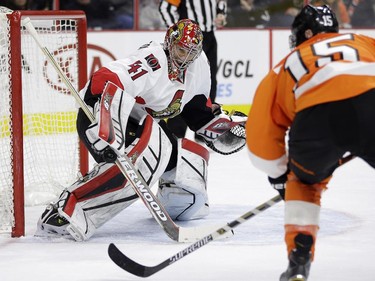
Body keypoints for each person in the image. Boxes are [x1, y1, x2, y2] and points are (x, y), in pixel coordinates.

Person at [36, 19, 247, 241]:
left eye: (191, 53)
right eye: (181, 49)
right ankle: (65, 211)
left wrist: (220, 126)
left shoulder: (199, 65)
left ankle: (174, 202)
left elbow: (196, 108)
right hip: (100, 117)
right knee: (146, 160)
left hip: (139, 124)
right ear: (169, 42)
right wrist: (107, 125)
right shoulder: (152, 61)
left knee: (187, 164)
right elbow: (103, 80)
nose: (185, 57)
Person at [246, 4, 375, 281]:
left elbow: (261, 135)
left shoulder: (287, 64)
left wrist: (281, 173)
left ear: (305, 32)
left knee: (304, 185)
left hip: (317, 120)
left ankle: (299, 259)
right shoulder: (365, 42)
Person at [159, 0, 227, 139]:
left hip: (209, 37)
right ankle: (175, 133)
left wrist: (220, 13)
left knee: (209, 82)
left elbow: (221, 2)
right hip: (187, 43)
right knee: (184, 83)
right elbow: (165, 7)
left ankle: (204, 128)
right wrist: (178, 34)